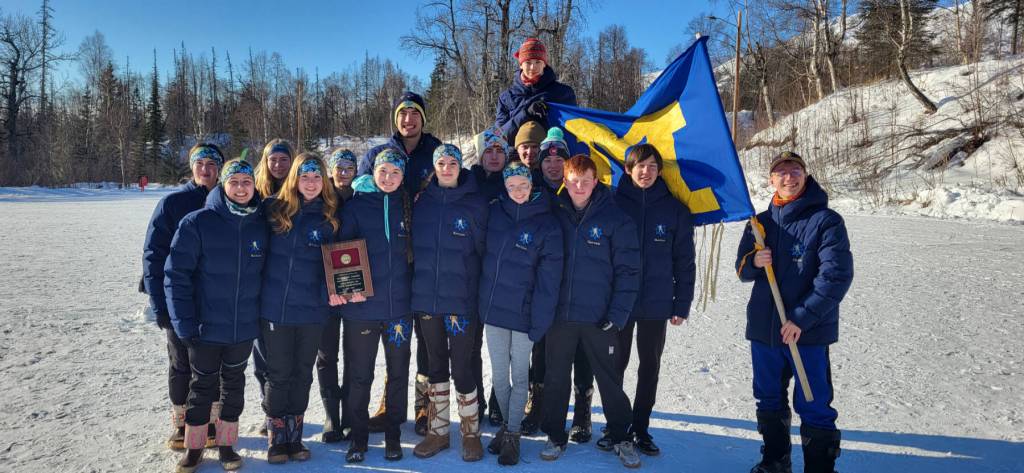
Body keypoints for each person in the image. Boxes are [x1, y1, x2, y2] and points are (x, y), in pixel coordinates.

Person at [735, 152, 853, 473]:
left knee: (814, 404)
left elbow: (836, 276)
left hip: (807, 333)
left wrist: (801, 318)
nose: (789, 177)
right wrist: (754, 263)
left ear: (805, 175)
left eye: (795, 171)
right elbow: (741, 269)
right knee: (769, 399)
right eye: (781, 172)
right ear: (771, 179)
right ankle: (776, 461)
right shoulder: (758, 223)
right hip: (764, 330)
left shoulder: (826, 221)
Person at [164, 158, 269, 472]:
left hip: (242, 327)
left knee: (234, 386)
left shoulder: (261, 224)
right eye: (234, 182)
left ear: (254, 186)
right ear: (224, 185)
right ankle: (194, 447)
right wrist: (184, 322)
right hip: (205, 326)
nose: (240, 188)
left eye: (246, 182)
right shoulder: (197, 222)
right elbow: (176, 275)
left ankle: (226, 444)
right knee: (202, 387)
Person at [539, 154, 642, 469]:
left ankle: (622, 436)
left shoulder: (615, 218)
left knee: (609, 380)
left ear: (596, 181)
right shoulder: (554, 213)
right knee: (555, 378)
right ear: (565, 183)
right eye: (573, 181)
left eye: (585, 180)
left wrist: (618, 313)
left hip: (601, 318)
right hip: (561, 317)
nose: (579, 187)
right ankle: (556, 436)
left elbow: (629, 271)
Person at [358, 92, 442, 432]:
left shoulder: (436, 152)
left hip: (424, 257)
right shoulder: (378, 154)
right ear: (396, 120)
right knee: (392, 338)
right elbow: (361, 196)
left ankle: (424, 407)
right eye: (403, 115)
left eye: (414, 114)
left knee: (425, 336)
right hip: (388, 259)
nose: (409, 120)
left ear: (423, 118)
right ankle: (389, 404)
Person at [260, 153, 346, 463]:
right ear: (294, 178)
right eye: (304, 176)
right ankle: (275, 435)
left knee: (302, 374)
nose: (310, 182)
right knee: (278, 373)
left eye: (316, 177)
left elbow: (340, 264)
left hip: (312, 311)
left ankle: (294, 438)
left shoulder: (331, 218)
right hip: (276, 309)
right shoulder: (272, 210)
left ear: (324, 181)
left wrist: (333, 292)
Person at [613, 144, 696, 456]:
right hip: (618, 303)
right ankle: (616, 425)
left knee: (649, 366)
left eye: (651, 166)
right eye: (639, 166)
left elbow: (684, 262)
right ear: (627, 169)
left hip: (656, 304)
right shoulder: (612, 204)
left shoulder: (675, 211)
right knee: (614, 366)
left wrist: (681, 303)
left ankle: (641, 428)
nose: (644, 172)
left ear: (659, 170)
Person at [479, 162, 563, 465]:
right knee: (500, 377)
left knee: (519, 376)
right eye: (511, 185)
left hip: (524, 315)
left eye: (523, 185)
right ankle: (506, 426)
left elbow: (549, 281)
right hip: (494, 311)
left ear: (532, 186)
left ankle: (512, 435)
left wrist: (540, 320)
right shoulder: (494, 212)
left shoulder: (547, 224)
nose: (517, 191)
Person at [409, 144, 490, 461]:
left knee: (464, 366)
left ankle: (470, 434)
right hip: (427, 300)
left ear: (460, 166)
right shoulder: (420, 203)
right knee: (435, 366)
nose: (446, 167)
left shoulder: (475, 204)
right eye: (440, 162)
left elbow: (484, 253)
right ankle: (438, 431)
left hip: (461, 301)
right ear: (434, 166)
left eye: (451, 162)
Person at [142, 143, 223, 451]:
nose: (206, 169)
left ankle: (212, 421)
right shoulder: (173, 203)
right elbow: (153, 255)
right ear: (192, 167)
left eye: (212, 164)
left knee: (212, 364)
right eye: (200, 163)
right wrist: (158, 303)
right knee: (181, 363)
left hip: (216, 300)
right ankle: (182, 423)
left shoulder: (227, 200)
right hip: (179, 300)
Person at [338, 149, 415, 463]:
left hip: (399, 310)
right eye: (384, 171)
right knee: (360, 375)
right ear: (374, 171)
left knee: (398, 374)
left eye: (395, 173)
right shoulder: (355, 206)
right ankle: (358, 438)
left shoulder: (408, 205)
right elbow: (340, 253)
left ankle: (393, 436)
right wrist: (347, 290)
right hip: (361, 310)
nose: (389, 178)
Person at [520, 127, 593, 440]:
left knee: (581, 350)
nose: (552, 164)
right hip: (541, 285)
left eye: (558, 158)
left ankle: (582, 412)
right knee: (541, 349)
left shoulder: (578, 192)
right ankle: (538, 406)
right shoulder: (531, 191)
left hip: (579, 285)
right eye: (546, 158)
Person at [252, 138, 296, 434]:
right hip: (259, 288)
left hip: (291, 290)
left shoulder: (300, 193)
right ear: (265, 163)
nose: (278, 165)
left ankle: (286, 412)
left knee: (288, 360)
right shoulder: (254, 195)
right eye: (273, 160)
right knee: (263, 359)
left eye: (284, 160)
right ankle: (270, 412)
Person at [318, 147, 358, 445]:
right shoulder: (319, 200)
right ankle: (332, 414)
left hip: (354, 286)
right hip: (325, 291)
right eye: (339, 167)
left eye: (349, 167)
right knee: (327, 354)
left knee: (355, 354)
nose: (343, 172)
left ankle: (350, 412)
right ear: (330, 170)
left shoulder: (360, 200)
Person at [495, 37, 577, 144]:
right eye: (528, 62)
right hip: (515, 157)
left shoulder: (563, 93)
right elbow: (499, 136)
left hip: (552, 156)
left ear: (544, 64)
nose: (533, 67)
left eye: (538, 62)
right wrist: (526, 114)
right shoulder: (506, 97)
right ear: (521, 64)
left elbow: (574, 130)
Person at [471, 128, 511, 203]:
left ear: (506, 156)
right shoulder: (466, 183)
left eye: (499, 151)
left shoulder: (514, 185)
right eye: (488, 151)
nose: (494, 157)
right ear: (481, 156)